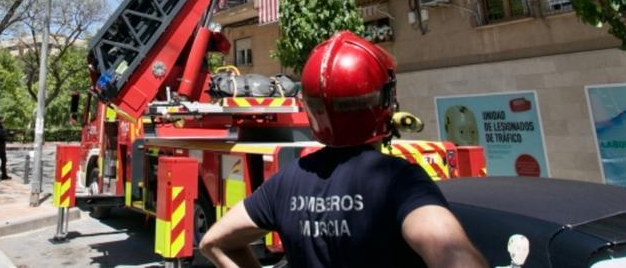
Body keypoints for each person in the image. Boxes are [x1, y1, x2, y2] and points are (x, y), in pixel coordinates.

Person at [200, 31, 487, 268]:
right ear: (386, 100)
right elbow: (456, 260)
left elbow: (213, 242)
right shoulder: (398, 183)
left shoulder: (284, 184)